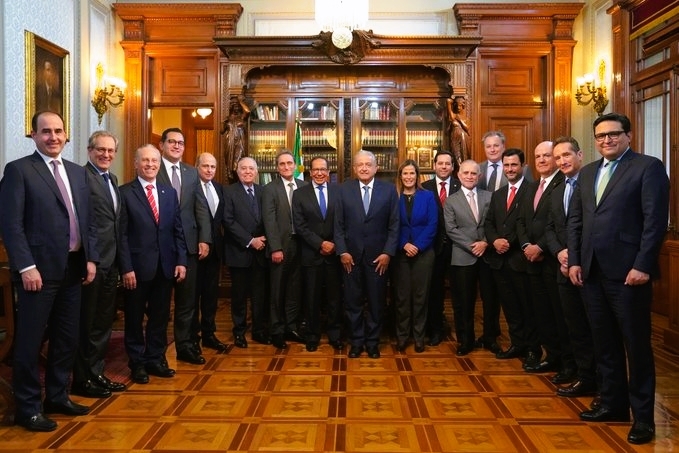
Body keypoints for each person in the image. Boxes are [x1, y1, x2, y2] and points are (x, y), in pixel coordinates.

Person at [568, 113, 669, 445]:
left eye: (613, 134)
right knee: (605, 344)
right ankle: (612, 404)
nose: (606, 140)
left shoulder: (647, 167)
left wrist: (642, 264)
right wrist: (576, 262)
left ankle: (643, 418)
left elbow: (654, 221)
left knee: (636, 347)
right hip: (592, 272)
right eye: (600, 136)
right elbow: (577, 222)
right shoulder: (587, 174)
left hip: (629, 275)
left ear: (628, 135)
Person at [0, 111, 97, 432]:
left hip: (73, 268)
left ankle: (57, 396)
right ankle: (28, 408)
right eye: (46, 132)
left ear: (66, 135)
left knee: (66, 339)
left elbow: (88, 221)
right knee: (28, 343)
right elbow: (11, 225)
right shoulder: (18, 171)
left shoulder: (77, 173)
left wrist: (91, 259)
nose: (53, 137)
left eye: (58, 131)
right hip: (37, 273)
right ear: (33, 135)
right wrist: (26, 266)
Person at [118, 145, 187, 385]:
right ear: (136, 163)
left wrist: (181, 261)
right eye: (145, 160)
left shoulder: (169, 193)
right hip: (136, 269)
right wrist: (126, 268)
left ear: (160, 164)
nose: (150, 165)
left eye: (154, 161)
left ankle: (155, 358)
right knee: (135, 318)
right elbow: (122, 235)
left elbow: (177, 229)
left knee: (159, 317)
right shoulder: (125, 193)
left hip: (165, 266)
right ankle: (137, 363)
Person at [71, 131, 126, 399]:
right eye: (100, 150)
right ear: (90, 150)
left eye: (110, 151)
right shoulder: (82, 177)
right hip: (92, 264)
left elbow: (115, 224)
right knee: (87, 323)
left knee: (103, 322)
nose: (106, 155)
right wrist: (90, 260)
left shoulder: (111, 179)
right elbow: (84, 223)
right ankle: (82, 379)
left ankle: (96, 373)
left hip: (111, 262)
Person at [543, 136, 598, 398]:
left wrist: (574, 256)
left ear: (579, 155)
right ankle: (582, 375)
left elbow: (592, 228)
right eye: (558, 157)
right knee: (573, 326)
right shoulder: (556, 192)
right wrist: (560, 253)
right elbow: (550, 228)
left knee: (595, 327)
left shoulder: (592, 185)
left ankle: (600, 379)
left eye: (566, 155)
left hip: (588, 268)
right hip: (563, 267)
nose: (562, 161)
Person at [334, 150, 399, 359]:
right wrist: (342, 251)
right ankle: (356, 342)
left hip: (378, 258)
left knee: (376, 302)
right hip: (350, 258)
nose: (363, 168)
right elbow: (338, 225)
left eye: (367, 165)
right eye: (359, 165)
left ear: (375, 168)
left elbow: (394, 225)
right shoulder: (343, 190)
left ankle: (372, 343)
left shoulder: (389, 191)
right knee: (352, 302)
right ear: (354, 168)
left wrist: (388, 252)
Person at [156, 128, 211, 365]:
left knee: (187, 303)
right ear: (162, 145)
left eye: (181, 142)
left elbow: (200, 208)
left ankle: (186, 347)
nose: (177, 146)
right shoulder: (151, 168)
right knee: (159, 305)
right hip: (160, 247)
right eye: (172, 142)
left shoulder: (191, 173)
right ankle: (156, 354)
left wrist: (205, 238)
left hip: (189, 246)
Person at [516, 141, 572, 374]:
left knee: (561, 315)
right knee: (542, 313)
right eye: (537, 156)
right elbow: (521, 220)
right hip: (531, 262)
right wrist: (527, 245)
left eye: (546, 156)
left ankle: (568, 364)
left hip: (552, 259)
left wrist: (540, 247)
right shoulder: (531, 186)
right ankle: (552, 356)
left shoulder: (563, 183)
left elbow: (557, 224)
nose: (541, 160)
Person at [484, 148, 540, 363]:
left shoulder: (532, 190)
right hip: (499, 261)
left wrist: (509, 242)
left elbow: (527, 224)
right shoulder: (498, 194)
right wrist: (494, 240)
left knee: (529, 307)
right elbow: (489, 223)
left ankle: (533, 349)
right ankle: (517, 344)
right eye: (506, 165)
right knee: (510, 307)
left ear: (523, 167)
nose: (509, 169)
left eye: (513, 165)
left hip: (521, 260)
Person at [444, 160, 496, 356]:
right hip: (462, 256)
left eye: (473, 173)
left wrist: (484, 242)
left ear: (479, 176)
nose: (469, 176)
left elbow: (494, 223)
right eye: (465, 173)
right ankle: (466, 340)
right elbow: (451, 229)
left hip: (487, 255)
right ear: (459, 175)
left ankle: (490, 338)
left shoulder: (490, 197)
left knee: (490, 300)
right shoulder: (451, 200)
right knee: (463, 302)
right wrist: (472, 246)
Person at [292, 157, 343, 352]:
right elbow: (300, 226)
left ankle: (335, 335)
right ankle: (312, 335)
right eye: (316, 170)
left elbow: (343, 222)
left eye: (323, 169)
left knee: (334, 298)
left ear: (328, 172)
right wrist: (320, 243)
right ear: (310, 172)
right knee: (311, 298)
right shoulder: (300, 194)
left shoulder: (339, 192)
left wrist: (334, 245)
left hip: (334, 254)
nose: (320, 173)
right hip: (311, 254)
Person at [262, 150, 308, 349]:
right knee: (277, 290)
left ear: (296, 165)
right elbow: (269, 220)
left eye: (290, 163)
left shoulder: (304, 187)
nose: (286, 167)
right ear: (277, 167)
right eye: (282, 164)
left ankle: (291, 327)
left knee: (294, 289)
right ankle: (277, 330)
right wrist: (275, 248)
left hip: (301, 246)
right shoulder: (270, 189)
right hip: (280, 247)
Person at [222, 157, 269, 348]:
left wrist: (264, 238)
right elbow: (228, 221)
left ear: (256, 171)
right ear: (237, 170)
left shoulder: (263, 191)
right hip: (239, 251)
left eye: (251, 168)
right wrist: (250, 241)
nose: (248, 171)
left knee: (260, 295)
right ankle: (239, 332)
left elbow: (269, 217)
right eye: (244, 168)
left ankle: (259, 331)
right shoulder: (228, 191)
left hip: (261, 252)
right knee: (239, 296)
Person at [392, 160, 438, 353]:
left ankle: (419, 337)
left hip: (424, 253)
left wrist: (417, 246)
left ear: (417, 176)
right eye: (405, 174)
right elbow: (392, 224)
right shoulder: (394, 197)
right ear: (400, 177)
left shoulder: (428, 196)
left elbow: (433, 224)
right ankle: (402, 336)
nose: (409, 177)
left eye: (412, 173)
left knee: (421, 297)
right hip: (400, 254)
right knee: (402, 298)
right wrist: (404, 244)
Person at [421, 151, 461, 346]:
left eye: (448, 164)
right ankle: (435, 330)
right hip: (433, 247)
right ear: (434, 165)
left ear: (453, 167)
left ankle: (462, 333)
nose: (444, 167)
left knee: (459, 291)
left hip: (458, 248)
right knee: (434, 291)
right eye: (440, 163)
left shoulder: (461, 185)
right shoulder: (424, 187)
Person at [193, 152, 227, 352]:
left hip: (215, 251)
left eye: (212, 167)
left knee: (210, 296)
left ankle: (208, 334)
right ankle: (191, 337)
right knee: (192, 297)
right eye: (205, 166)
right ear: (197, 166)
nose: (209, 170)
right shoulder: (190, 188)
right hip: (195, 250)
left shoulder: (218, 188)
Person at [221, 95, 250, 183]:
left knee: (238, 164)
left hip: (239, 144)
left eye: (238, 106)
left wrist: (240, 101)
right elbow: (221, 131)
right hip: (230, 143)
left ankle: (239, 181)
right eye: (234, 106)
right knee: (229, 165)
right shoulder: (228, 119)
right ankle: (233, 182)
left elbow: (247, 111)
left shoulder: (242, 117)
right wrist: (223, 122)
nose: (236, 108)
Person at [446, 96, 471, 164]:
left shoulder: (465, 118)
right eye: (456, 105)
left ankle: (462, 169)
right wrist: (449, 103)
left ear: (463, 106)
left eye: (460, 106)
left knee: (463, 156)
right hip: (454, 139)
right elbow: (448, 102)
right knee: (455, 154)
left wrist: (459, 120)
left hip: (463, 139)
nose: (458, 107)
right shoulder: (454, 116)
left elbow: (467, 128)